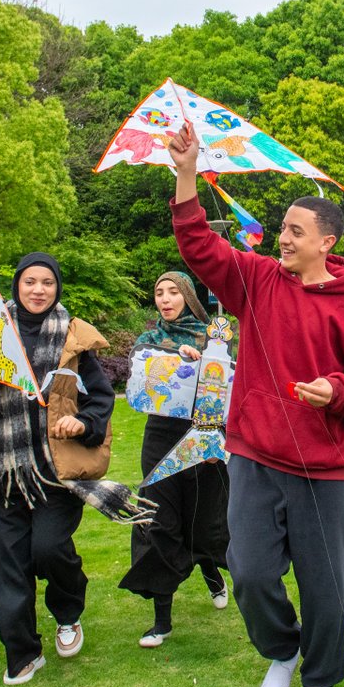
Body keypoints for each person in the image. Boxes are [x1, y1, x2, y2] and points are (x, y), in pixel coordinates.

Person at [167, 122, 344, 687]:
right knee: (250, 572)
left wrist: (337, 391)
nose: (283, 238)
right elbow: (197, 246)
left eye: (296, 231)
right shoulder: (257, 279)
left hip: (324, 469)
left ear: (326, 242)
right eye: (284, 228)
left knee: (329, 590)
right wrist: (187, 172)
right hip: (255, 454)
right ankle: (282, 650)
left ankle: (321, 680)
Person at [0, 252, 115, 685]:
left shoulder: (73, 339)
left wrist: (83, 422)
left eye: (47, 283)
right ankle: (22, 653)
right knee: (8, 564)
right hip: (1, 471)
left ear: (57, 289)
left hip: (56, 472)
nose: (38, 290)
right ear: (16, 286)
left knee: (47, 549)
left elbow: (99, 399)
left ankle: (68, 612)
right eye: (30, 282)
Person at [120, 270, 231, 648]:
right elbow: (138, 374)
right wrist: (173, 357)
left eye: (173, 292)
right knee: (159, 521)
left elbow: (226, 385)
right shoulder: (148, 339)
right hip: (160, 436)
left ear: (188, 296)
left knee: (202, 518)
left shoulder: (212, 335)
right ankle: (162, 620)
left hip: (202, 435)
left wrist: (204, 357)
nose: (165, 299)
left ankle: (211, 570)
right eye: (159, 293)